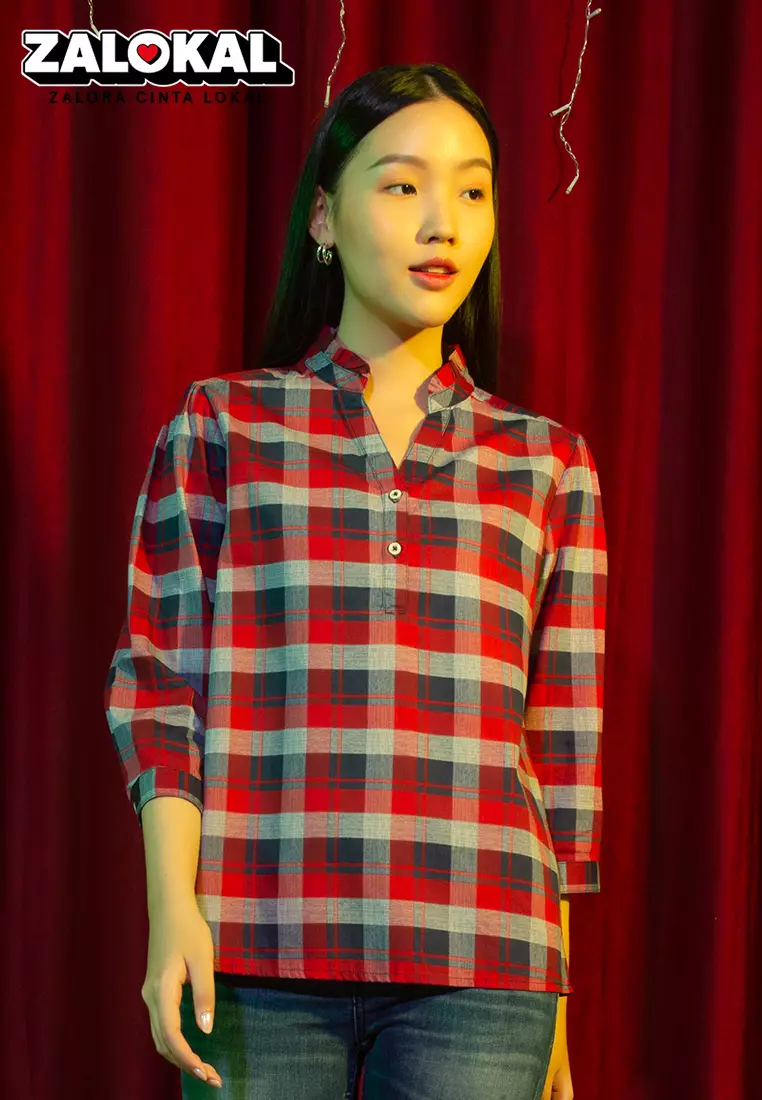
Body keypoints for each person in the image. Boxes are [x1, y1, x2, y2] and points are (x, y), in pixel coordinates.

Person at [104, 62, 607, 1100]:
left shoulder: (549, 462)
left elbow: (561, 753)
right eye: (403, 184)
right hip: (256, 946)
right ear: (324, 216)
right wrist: (171, 908)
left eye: (472, 190)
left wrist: (556, 996)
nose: (442, 222)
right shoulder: (223, 425)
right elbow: (161, 689)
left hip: (487, 963)